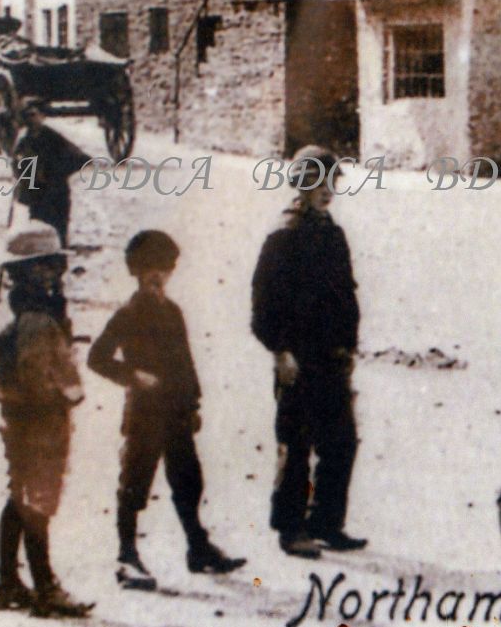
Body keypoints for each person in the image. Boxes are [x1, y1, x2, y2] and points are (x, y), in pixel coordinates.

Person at [88, 230, 245, 589]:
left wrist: (194, 404)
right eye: (149, 270)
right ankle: (127, 556)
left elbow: (186, 363)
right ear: (136, 272)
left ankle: (198, 548)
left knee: (188, 480)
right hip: (144, 413)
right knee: (134, 483)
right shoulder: (127, 314)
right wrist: (133, 375)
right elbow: (96, 358)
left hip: (176, 412)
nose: (157, 276)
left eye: (164, 269)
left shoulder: (173, 312)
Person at [251, 145, 366, 560]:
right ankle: (291, 528)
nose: (327, 190)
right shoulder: (284, 236)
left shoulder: (333, 234)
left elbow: (346, 295)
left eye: (332, 182)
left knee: (341, 441)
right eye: (318, 182)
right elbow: (263, 305)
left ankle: (326, 523)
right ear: (300, 184)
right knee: (296, 443)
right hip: (298, 359)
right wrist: (280, 351)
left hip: (331, 355)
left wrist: (349, 346)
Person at [0, 226, 93, 619]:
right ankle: (45, 586)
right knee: (38, 500)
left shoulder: (21, 310)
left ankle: (8, 582)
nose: (51, 273)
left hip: (19, 417)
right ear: (25, 272)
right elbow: (34, 374)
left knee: (20, 497)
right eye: (43, 267)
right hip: (39, 419)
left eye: (53, 265)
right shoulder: (36, 318)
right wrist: (64, 397)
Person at [13, 98, 92, 248]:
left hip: (55, 189)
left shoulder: (52, 137)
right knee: (38, 220)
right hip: (36, 190)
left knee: (59, 220)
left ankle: (61, 245)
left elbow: (81, 157)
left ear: (42, 116)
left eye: (34, 115)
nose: (31, 120)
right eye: (28, 116)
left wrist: (59, 172)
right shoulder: (24, 140)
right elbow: (16, 163)